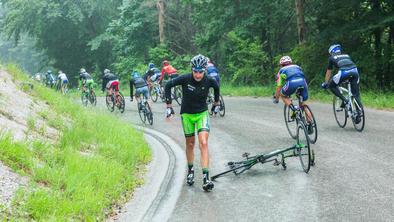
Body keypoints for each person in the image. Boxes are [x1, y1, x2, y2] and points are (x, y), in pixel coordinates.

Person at [165, 54, 220, 192]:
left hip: (202, 113)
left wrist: (216, 104)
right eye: (195, 71)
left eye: (200, 71)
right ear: (192, 69)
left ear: (204, 70)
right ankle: (190, 171)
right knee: (190, 143)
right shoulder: (185, 78)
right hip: (187, 115)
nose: (197, 74)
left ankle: (206, 178)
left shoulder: (209, 80)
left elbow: (217, 87)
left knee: (204, 143)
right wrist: (169, 105)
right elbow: (167, 85)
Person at [273, 56, 313, 134]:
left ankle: (294, 109)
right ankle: (310, 123)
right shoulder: (297, 67)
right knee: (304, 105)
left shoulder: (281, 70)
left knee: (283, 94)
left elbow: (279, 86)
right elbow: (303, 76)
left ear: (281, 65)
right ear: (291, 62)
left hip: (292, 83)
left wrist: (276, 98)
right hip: (303, 82)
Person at [321, 44, 361, 122]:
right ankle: (359, 113)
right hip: (355, 71)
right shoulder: (347, 55)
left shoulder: (331, 58)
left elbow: (329, 71)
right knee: (356, 94)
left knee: (331, 86)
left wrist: (326, 82)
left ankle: (345, 100)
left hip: (344, 72)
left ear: (332, 52)